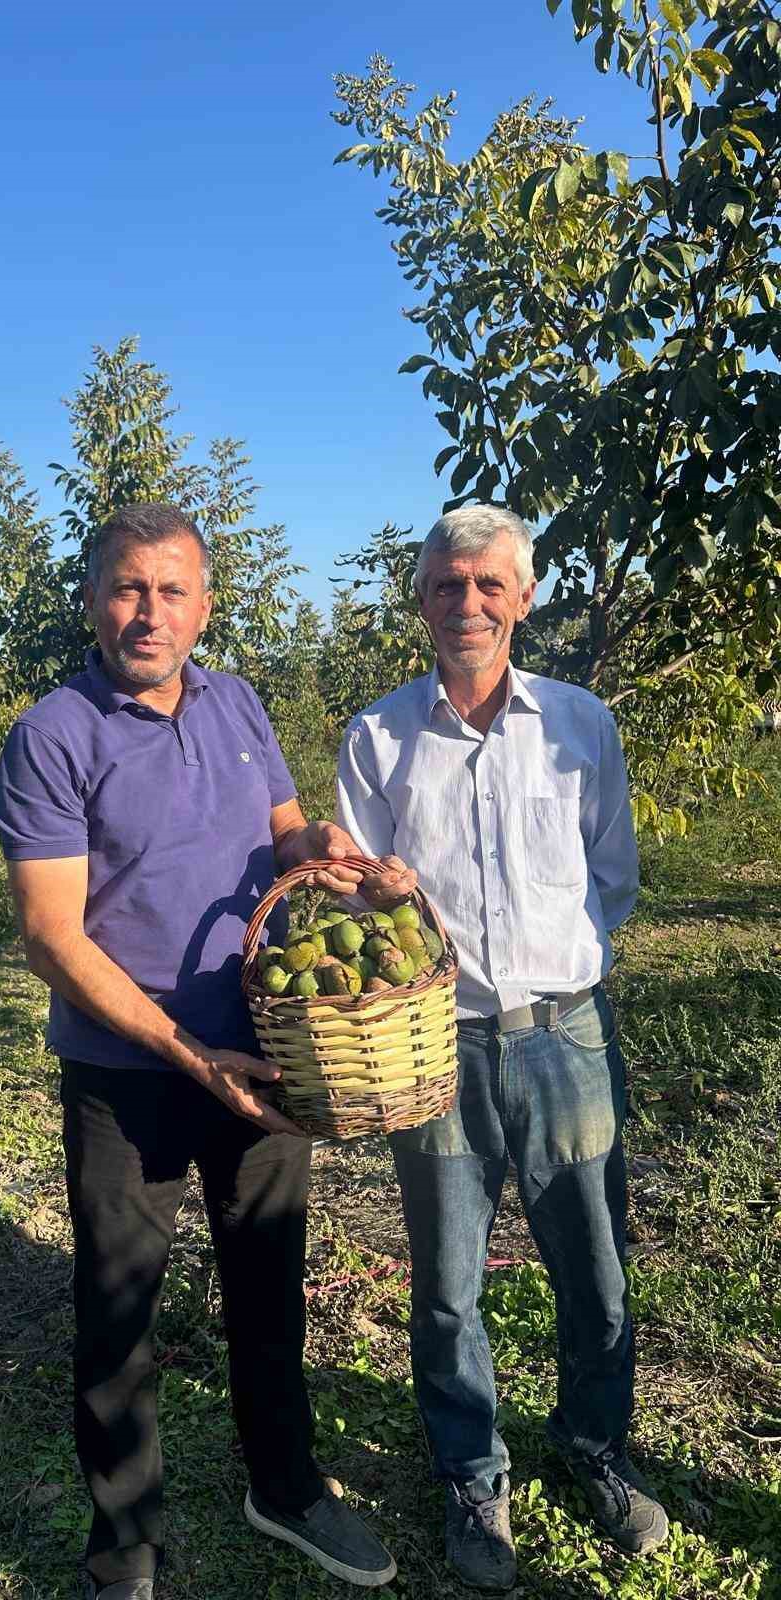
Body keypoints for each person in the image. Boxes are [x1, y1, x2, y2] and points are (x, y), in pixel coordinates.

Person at [0, 503, 400, 1599]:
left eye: (172, 591)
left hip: (264, 1052)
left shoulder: (237, 702)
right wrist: (182, 1048)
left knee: (268, 1281)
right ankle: (124, 1545)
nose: (149, 612)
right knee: (120, 1304)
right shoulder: (53, 735)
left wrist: (326, 852)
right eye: (127, 588)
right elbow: (50, 934)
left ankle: (288, 1488)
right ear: (89, 599)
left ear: (206, 606)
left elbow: (283, 832)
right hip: (132, 1072)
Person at [336, 505, 668, 1592]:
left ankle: (595, 1447)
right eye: (445, 586)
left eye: (489, 584)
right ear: (420, 601)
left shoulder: (582, 724)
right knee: (445, 1282)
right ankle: (474, 1473)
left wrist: (555, 964)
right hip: (433, 1046)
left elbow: (608, 879)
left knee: (595, 1264)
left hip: (564, 1032)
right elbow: (360, 914)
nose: (467, 603)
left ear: (525, 597)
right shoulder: (378, 737)